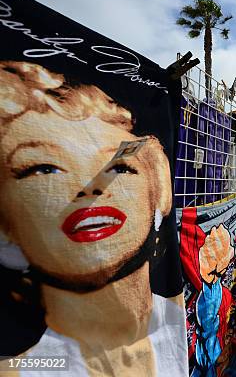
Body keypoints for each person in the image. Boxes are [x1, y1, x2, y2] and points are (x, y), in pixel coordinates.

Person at [0, 61, 186, 374]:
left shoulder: (189, 322)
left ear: (159, 189)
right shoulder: (22, 368)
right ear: (5, 223)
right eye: (44, 169)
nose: (91, 189)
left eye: (119, 167)